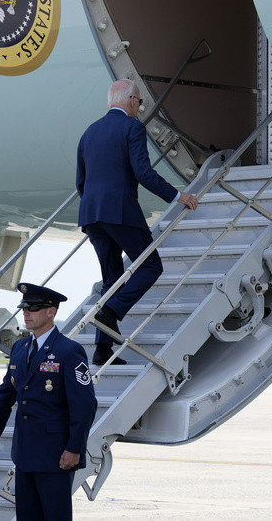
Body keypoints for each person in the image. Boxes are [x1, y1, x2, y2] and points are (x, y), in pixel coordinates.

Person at [76, 78, 198, 366]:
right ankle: (111, 312)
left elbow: (81, 182)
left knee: (112, 279)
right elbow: (143, 173)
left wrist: (96, 207)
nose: (139, 107)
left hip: (92, 215)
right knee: (151, 266)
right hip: (120, 211)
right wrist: (178, 195)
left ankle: (102, 350)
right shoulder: (132, 127)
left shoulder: (89, 132)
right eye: (140, 102)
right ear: (131, 100)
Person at [0, 283, 97, 521]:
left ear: (50, 311)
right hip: (24, 452)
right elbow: (5, 393)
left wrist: (74, 448)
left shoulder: (68, 351)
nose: (26, 312)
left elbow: (84, 405)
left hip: (55, 456)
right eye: (24, 307)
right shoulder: (21, 348)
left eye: (33, 308)